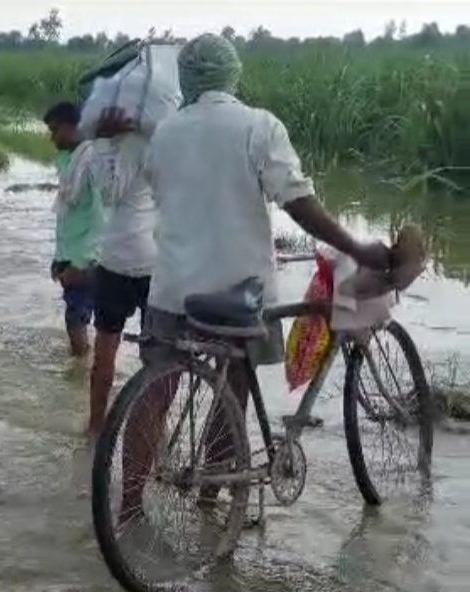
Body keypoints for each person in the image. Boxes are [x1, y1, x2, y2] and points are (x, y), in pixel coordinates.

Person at [105, 33, 391, 521]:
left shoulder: (167, 133)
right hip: (238, 291)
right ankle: (212, 500)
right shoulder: (259, 126)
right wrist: (355, 245)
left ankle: (129, 508)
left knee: (156, 390)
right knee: (232, 381)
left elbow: (165, 190)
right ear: (233, 74)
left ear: (188, 79)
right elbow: (297, 202)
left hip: (173, 290)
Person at [84, 108, 159, 438]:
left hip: (120, 259)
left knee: (105, 351)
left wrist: (101, 142)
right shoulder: (168, 140)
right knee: (158, 361)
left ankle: (96, 428)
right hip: (159, 259)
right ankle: (156, 438)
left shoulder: (129, 144)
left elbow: (108, 192)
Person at [42, 102, 102, 358]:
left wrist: (81, 263)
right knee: (77, 321)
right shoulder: (69, 160)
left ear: (71, 126)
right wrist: (60, 258)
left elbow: (103, 217)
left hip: (88, 260)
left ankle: (82, 375)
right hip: (72, 256)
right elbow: (69, 215)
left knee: (79, 321)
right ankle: (83, 370)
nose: (51, 136)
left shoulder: (93, 162)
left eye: (55, 130)